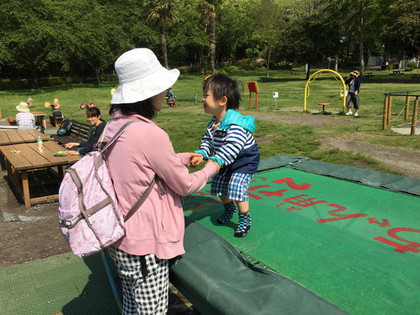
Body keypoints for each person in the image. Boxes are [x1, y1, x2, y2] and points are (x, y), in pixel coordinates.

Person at [103, 48, 220, 314]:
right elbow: (185, 186)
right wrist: (212, 167)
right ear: (148, 93)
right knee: (152, 310)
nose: (165, 93)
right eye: (161, 88)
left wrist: (178, 157)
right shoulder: (149, 133)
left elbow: (137, 163)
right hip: (145, 244)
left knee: (132, 306)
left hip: (121, 235)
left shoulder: (115, 125)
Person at [191, 73, 260, 237]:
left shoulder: (235, 125)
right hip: (225, 160)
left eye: (206, 95)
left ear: (222, 101)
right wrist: (202, 153)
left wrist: (217, 161)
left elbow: (233, 147)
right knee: (219, 185)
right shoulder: (213, 123)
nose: (203, 99)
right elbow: (208, 141)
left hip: (244, 161)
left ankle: (245, 218)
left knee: (236, 186)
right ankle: (229, 208)